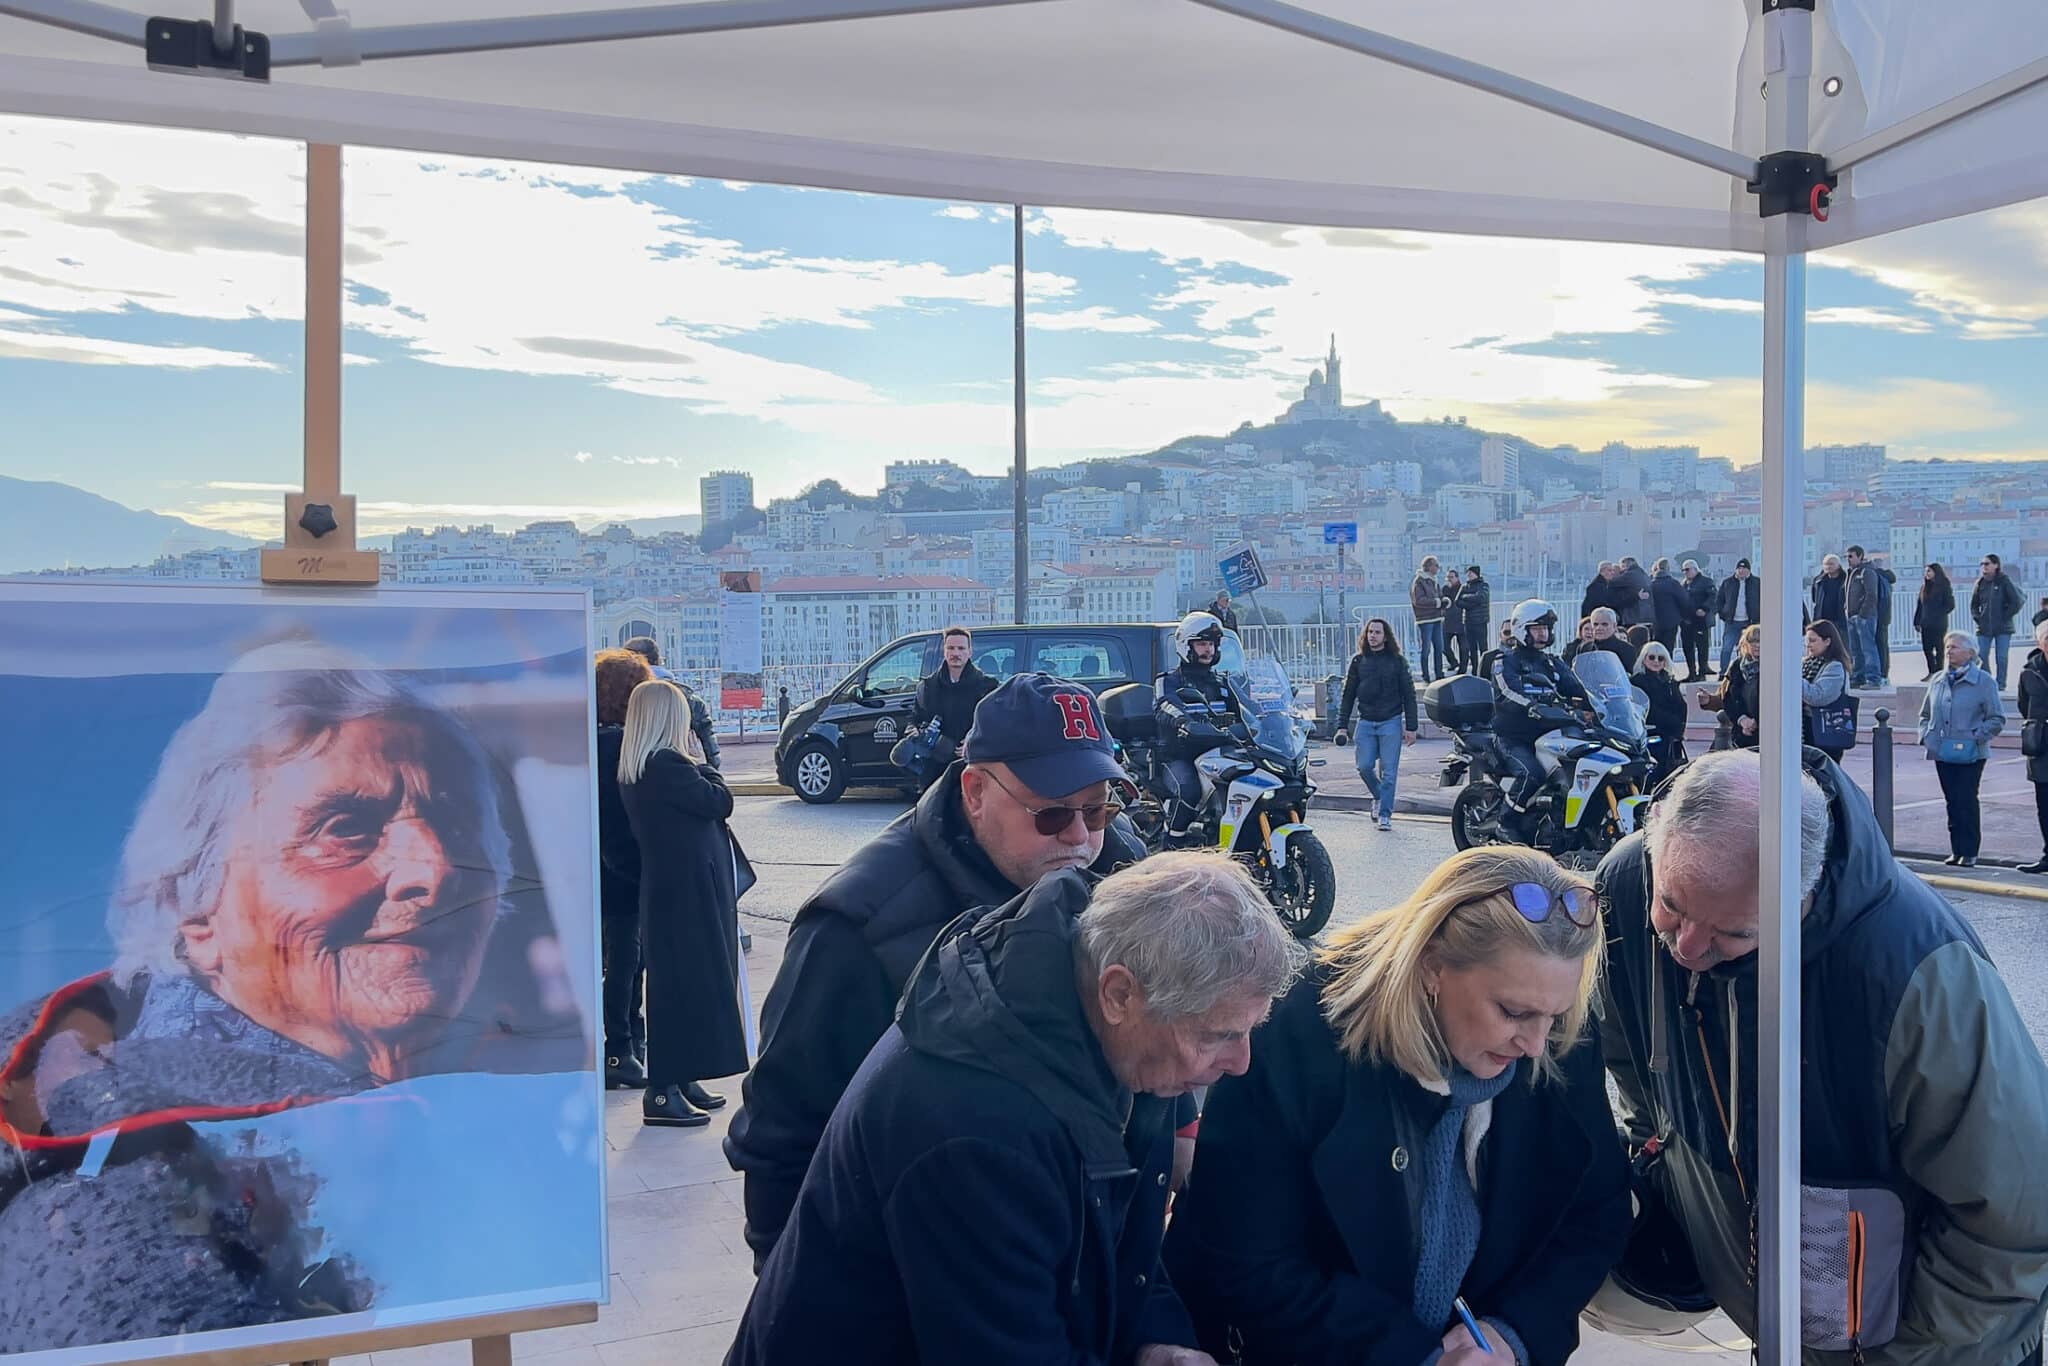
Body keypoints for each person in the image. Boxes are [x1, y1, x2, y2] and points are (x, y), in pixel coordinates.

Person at [0, 642, 533, 1348]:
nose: (434, 869)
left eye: (458, 825)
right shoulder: (110, 1197)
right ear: (192, 905)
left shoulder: (459, 1099)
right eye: (344, 828)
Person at [727, 853, 1304, 1366]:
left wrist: (1157, 1342)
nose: (1240, 1062)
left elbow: (1128, 1261)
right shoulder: (977, 1128)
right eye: (1215, 1036)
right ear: (1119, 993)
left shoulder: (1130, 1046)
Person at [1594, 749, 2048, 1365]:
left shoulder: (1914, 975)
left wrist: (1901, 1349)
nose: (1688, 948)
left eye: (1735, 933)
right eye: (1671, 906)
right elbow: (1628, 1056)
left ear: (1803, 895)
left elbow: (2017, 1220)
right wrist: (1658, 1158)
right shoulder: (1627, 885)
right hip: (1789, 1326)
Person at [723, 671, 1146, 1266]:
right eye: (1051, 814)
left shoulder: (1122, 869)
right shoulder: (856, 926)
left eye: (1099, 809)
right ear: (975, 791)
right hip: (914, 1271)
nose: (1080, 837)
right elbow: (780, 1139)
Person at [1162, 845, 1628, 1366]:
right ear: (1431, 966)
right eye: (1513, 1012)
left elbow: (1593, 1213)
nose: (1537, 1044)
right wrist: (1415, 1355)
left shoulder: (1558, 1026)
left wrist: (1512, 1333)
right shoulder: (1300, 1030)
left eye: (1555, 1015)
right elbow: (1242, 1256)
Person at [618, 679, 745, 1127]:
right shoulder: (668, 764)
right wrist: (708, 762)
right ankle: (662, 1089)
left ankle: (682, 1074)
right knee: (683, 985)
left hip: (672, 889)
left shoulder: (643, 766)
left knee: (685, 981)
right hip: (686, 892)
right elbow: (719, 800)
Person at [596, 647, 655, 1089]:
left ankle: (628, 1042)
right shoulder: (620, 744)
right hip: (625, 870)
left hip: (603, 868)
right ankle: (621, 1046)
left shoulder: (593, 740)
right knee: (626, 962)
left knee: (623, 960)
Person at [1489, 599, 1593, 815]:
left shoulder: (1552, 663)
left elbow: (1576, 686)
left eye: (1545, 629)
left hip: (1549, 733)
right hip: (1515, 737)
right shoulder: (1505, 660)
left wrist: (1598, 706)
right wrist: (1531, 706)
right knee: (1532, 774)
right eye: (1536, 629)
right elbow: (1507, 691)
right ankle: (1506, 822)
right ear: (1520, 629)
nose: (1542, 634)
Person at [1918, 632, 2006, 868]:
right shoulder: (1938, 679)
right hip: (1942, 751)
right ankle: (1956, 850)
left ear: (1970, 652)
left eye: (1954, 647)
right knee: (1951, 801)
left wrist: (1977, 736)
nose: (1949, 651)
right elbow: (1925, 714)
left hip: (1971, 753)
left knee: (1965, 799)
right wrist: (1927, 737)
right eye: (1947, 647)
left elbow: (1997, 718)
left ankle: (1969, 851)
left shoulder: (1984, 682)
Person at [1156, 611, 1240, 835]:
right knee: (1189, 791)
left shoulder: (1222, 683)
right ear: (1186, 645)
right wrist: (1183, 721)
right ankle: (1172, 841)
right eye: (1202, 644)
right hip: (1180, 755)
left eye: (1212, 644)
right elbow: (1165, 705)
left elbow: (1245, 709)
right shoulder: (1168, 681)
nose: (1209, 650)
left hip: (1219, 752)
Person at [1334, 617, 1417, 833]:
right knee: (1364, 767)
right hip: (1366, 722)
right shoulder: (1358, 661)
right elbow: (1348, 695)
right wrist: (1342, 726)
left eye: (1377, 632)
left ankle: (1384, 814)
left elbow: (1409, 694)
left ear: (1386, 636)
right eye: (1370, 632)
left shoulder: (1397, 661)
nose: (1373, 636)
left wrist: (1411, 727)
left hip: (1390, 721)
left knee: (1389, 773)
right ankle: (1380, 797)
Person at [907, 625, 997, 792]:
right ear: (944, 651)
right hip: (934, 772)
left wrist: (973, 743)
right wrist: (913, 730)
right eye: (951, 648)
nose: (956, 653)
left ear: (970, 651)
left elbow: (996, 726)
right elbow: (915, 718)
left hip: (973, 768)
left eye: (961, 648)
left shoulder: (987, 687)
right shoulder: (928, 686)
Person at [621, 635, 721, 770]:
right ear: (658, 660)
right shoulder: (689, 698)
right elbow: (710, 748)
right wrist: (707, 769)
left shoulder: (619, 698)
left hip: (634, 773)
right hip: (684, 773)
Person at [1698, 623, 1761, 750]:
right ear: (1745, 643)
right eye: (1752, 640)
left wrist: (1756, 722)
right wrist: (1709, 700)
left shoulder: (1775, 665)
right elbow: (1726, 698)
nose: (1757, 645)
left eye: (1760, 640)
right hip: (1739, 732)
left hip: (1765, 733)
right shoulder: (1737, 666)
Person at [1633, 641, 1687, 785]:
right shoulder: (1636, 682)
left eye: (1660, 658)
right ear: (1643, 659)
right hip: (1648, 733)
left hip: (1670, 735)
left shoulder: (1671, 681)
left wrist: (1678, 730)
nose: (1656, 661)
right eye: (1651, 657)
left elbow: (1682, 707)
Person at [1800, 620, 1853, 763]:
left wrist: (1795, 680)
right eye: (1807, 640)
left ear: (1827, 641)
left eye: (1813, 640)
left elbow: (1818, 696)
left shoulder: (1834, 667)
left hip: (1826, 732)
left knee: (1825, 775)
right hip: (1807, 728)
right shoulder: (1806, 663)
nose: (1808, 645)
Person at [2019, 619, 2048, 876]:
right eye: (2047, 638)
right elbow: (2023, 705)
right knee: (2045, 805)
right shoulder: (2030, 671)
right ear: (2039, 643)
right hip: (2042, 746)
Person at [1971, 552, 2024, 690]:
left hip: (2003, 628)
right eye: (1982, 564)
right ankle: (1988, 681)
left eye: (1987, 564)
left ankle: (2000, 684)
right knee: (1981, 655)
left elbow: (2016, 602)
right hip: (1984, 627)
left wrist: (2005, 617)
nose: (1984, 567)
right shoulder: (1980, 583)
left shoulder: (2004, 581)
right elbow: (1974, 605)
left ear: (1996, 565)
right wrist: (1978, 618)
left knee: (2001, 657)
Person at [1842, 545, 1883, 690]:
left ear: (1860, 556)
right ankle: (1857, 677)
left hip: (1865, 617)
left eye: (1851, 556)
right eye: (1847, 556)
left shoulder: (1867, 572)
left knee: (1868, 648)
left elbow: (1871, 594)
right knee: (1855, 650)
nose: (1848, 559)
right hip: (1851, 616)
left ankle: (1873, 679)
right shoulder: (1851, 572)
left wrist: (1863, 614)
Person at [1715, 558, 1759, 675]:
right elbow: (1719, 600)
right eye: (1739, 568)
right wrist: (1723, 614)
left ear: (1749, 570)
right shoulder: (1727, 583)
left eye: (1744, 569)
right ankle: (1723, 672)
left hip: (1749, 623)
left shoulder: (1757, 583)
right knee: (1726, 648)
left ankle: (1744, 672)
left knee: (1746, 649)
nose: (1741, 571)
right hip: (1732, 622)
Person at [1914, 563, 1955, 681]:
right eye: (1926, 571)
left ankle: (1939, 672)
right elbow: (1920, 606)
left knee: (1939, 649)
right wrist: (1917, 621)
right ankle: (1931, 671)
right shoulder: (1924, 588)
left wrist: (1939, 613)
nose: (1927, 574)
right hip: (1925, 623)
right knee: (1927, 648)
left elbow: (1950, 605)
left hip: (1939, 623)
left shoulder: (1944, 586)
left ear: (1936, 572)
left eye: (1929, 571)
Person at [1412, 556, 1447, 684]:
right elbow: (1419, 600)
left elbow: (1439, 596)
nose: (1438, 568)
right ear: (1429, 566)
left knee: (1439, 646)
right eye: (1436, 565)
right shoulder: (1420, 581)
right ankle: (1425, 674)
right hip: (1425, 619)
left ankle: (1439, 673)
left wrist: (1444, 601)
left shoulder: (1434, 581)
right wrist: (1436, 602)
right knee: (1426, 648)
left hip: (1436, 618)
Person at [1679, 559, 1715, 680]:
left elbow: (1713, 597)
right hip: (1687, 621)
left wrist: (1704, 609)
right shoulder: (1683, 584)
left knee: (1702, 647)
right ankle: (1691, 673)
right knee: (1687, 647)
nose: (1685, 572)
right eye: (1683, 570)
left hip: (1701, 621)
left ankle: (1702, 673)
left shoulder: (1706, 582)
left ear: (1695, 569)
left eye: (1687, 569)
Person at [1458, 565, 1491, 674]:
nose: (1468, 575)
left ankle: (1485, 670)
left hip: (1480, 621)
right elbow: (1457, 601)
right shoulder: (1464, 587)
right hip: (1468, 621)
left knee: (1483, 648)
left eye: (1470, 573)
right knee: (1472, 648)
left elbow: (1481, 597)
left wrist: (1466, 598)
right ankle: (1475, 670)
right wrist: (1471, 604)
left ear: (1476, 573)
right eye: (1467, 573)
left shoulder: (1483, 585)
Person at [1649, 557, 1686, 655]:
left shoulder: (1650, 584)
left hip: (1654, 621)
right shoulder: (1673, 583)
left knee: (1655, 648)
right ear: (1668, 568)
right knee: (1668, 648)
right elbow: (1684, 600)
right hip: (1671, 621)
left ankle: (1655, 668)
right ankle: (1666, 669)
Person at [1586, 606, 1639, 671]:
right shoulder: (1585, 647)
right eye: (1595, 624)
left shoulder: (1627, 649)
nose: (1599, 628)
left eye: (1604, 624)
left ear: (1614, 626)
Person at [1811, 554, 1848, 641]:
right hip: (1822, 620)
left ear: (1838, 565)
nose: (1828, 566)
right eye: (1825, 564)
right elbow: (1814, 599)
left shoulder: (1846, 580)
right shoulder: (1818, 581)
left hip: (1840, 621)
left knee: (1841, 646)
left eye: (1831, 564)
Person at [1874, 555, 1897, 681]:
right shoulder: (1886, 578)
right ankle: (1883, 672)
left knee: (1880, 644)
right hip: (1884, 615)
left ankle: (1882, 672)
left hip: (1879, 615)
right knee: (1882, 644)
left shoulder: (1878, 577)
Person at [1614, 556, 1653, 629]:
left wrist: (1617, 573)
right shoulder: (1643, 573)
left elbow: (1612, 582)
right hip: (1646, 615)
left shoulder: (1630, 574)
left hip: (1633, 615)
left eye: (1621, 567)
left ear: (1625, 565)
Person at [1441, 565, 1466, 674]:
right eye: (1447, 577)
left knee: (1463, 647)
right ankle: (1453, 662)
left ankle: (1463, 668)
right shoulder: (1445, 589)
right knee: (1443, 645)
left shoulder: (1463, 588)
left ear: (1457, 578)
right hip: (1448, 621)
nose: (1449, 579)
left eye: (1451, 577)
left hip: (1461, 621)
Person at [1582, 561, 1617, 625]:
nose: (1612, 573)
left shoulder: (1605, 584)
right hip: (1598, 619)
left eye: (1613, 570)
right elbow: (1600, 603)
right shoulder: (1596, 586)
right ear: (1602, 572)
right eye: (1609, 570)